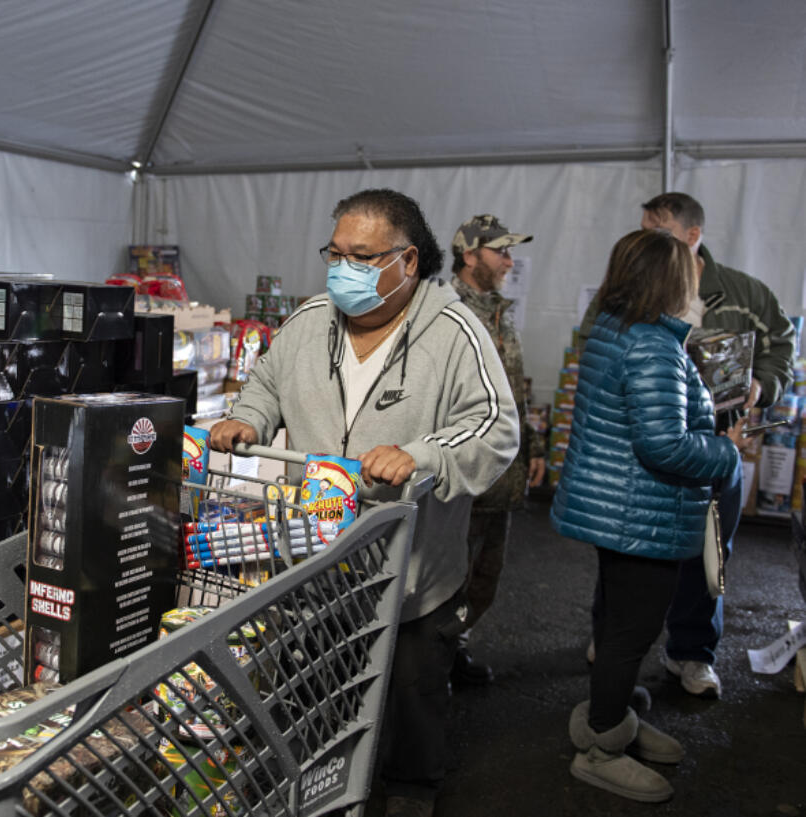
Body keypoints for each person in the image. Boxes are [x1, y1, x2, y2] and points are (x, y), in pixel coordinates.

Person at [210, 189, 519, 816]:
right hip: (322, 557)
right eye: (335, 252)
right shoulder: (308, 322)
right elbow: (264, 383)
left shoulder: (454, 331)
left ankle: (411, 788)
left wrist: (424, 454)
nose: (341, 267)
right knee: (316, 676)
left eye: (361, 256)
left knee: (413, 688)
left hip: (415, 568)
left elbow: (494, 424)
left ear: (407, 262)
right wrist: (248, 418)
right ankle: (316, 777)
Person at [553, 229, 744, 802]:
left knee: (616, 625)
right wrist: (726, 450)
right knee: (628, 636)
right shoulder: (653, 344)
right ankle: (601, 749)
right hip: (642, 515)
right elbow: (664, 445)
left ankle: (609, 716)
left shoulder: (613, 329)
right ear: (669, 281)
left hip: (616, 510)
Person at [580, 193, 794, 698]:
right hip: (660, 450)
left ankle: (691, 653)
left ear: (692, 236)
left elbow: (782, 342)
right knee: (628, 557)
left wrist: (762, 386)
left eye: (659, 233)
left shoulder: (744, 293)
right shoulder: (629, 301)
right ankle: (613, 652)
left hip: (716, 443)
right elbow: (599, 353)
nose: (647, 243)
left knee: (709, 556)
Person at [448, 214, 547, 685]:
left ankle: (454, 649)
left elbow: (515, 392)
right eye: (500, 251)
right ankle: (433, 661)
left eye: (510, 252)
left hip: (501, 475)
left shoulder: (498, 311)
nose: (510, 261)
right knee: (449, 576)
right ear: (470, 256)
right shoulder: (447, 312)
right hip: (465, 474)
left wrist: (534, 447)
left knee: (485, 577)